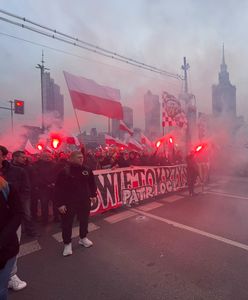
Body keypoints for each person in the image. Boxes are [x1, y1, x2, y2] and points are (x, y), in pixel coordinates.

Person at [54, 151, 97, 256]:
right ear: (71, 159)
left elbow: (92, 183)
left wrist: (93, 195)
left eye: (82, 157)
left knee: (84, 220)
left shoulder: (87, 169)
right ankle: (67, 243)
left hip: (84, 200)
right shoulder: (64, 171)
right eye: (78, 157)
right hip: (69, 202)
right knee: (67, 223)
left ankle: (83, 238)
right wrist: (60, 204)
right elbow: (58, 189)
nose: (81, 159)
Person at [0, 145, 27, 291]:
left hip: (10, 220)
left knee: (10, 247)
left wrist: (18, 204)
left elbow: (24, 189)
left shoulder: (16, 172)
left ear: (4, 157)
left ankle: (12, 275)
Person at [0, 176, 22, 300]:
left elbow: (18, 214)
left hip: (6, 250)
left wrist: (2, 240)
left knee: (1, 290)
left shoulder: (7, 187)